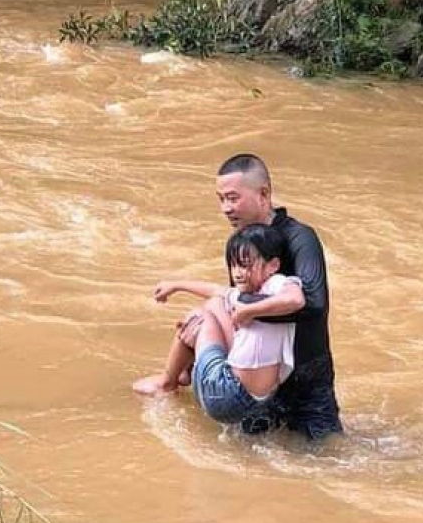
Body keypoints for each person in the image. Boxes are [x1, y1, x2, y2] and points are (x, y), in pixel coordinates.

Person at [133, 153, 342, 440]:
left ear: (264, 194)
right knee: (252, 462)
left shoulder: (300, 238)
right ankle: (186, 372)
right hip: (263, 376)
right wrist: (208, 342)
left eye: (233, 198)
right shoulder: (242, 244)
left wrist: (239, 308)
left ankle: (175, 377)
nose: (225, 209)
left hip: (306, 374)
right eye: (220, 199)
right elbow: (238, 308)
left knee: (328, 457)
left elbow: (314, 304)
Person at [163, 225, 304, 426]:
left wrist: (249, 311)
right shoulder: (252, 292)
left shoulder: (276, 284)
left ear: (273, 266)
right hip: (258, 402)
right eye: (234, 265)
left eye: (245, 265)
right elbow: (216, 290)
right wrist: (177, 285)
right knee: (215, 303)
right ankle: (185, 369)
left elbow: (296, 300)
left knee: (201, 315)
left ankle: (168, 382)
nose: (237, 273)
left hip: (226, 394)